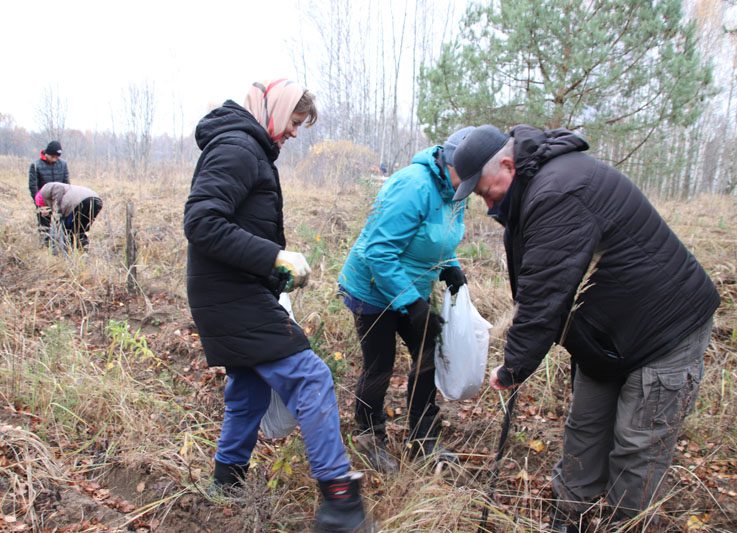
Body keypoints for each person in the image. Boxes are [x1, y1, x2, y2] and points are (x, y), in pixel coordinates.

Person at [451, 125, 720, 531]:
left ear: (508, 164)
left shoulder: (559, 190)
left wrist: (514, 366)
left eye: (485, 190)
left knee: (637, 446)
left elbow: (545, 293)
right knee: (585, 426)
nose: (485, 202)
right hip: (608, 336)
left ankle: (624, 523)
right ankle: (568, 518)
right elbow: (536, 284)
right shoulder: (532, 190)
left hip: (666, 331)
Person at [183, 79, 369, 532]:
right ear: (275, 108)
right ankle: (339, 504)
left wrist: (274, 271)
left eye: (300, 125)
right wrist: (272, 256)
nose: (294, 132)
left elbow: (237, 226)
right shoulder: (239, 148)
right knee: (311, 378)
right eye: (294, 121)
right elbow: (201, 221)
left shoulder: (249, 148)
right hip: (229, 294)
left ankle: (225, 484)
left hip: (232, 289)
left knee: (249, 388)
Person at [337, 127, 474, 473]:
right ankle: (369, 436)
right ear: (452, 162)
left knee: (428, 352)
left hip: (414, 284)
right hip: (372, 286)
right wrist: (413, 305)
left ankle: (423, 439)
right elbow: (378, 251)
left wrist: (451, 266)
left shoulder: (459, 189)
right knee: (380, 363)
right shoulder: (413, 186)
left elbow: (440, 237)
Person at [36, 182, 102, 251]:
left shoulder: (44, 189)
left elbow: (58, 188)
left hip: (80, 202)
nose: (44, 210)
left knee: (69, 230)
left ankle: (68, 252)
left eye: (44, 208)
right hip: (96, 201)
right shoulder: (63, 193)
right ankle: (82, 252)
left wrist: (56, 210)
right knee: (80, 230)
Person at [29, 141, 70, 243]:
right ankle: (45, 247)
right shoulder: (35, 165)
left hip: (59, 200)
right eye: (53, 156)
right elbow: (33, 187)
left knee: (61, 225)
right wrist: (39, 205)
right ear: (47, 153)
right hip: (43, 201)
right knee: (44, 228)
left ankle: (60, 245)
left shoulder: (63, 164)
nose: (55, 159)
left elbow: (67, 184)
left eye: (57, 157)